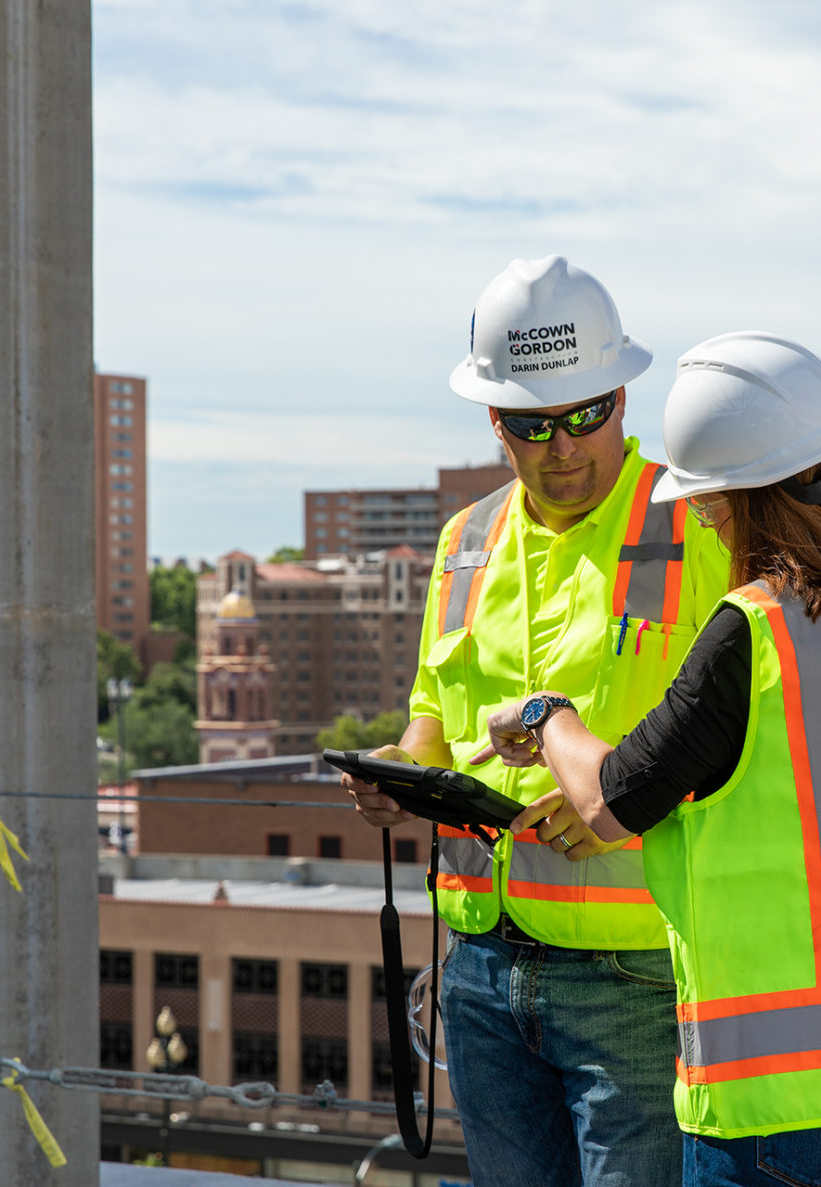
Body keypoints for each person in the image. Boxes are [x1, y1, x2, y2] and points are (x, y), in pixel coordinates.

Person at [475, 331, 821, 1187]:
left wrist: (547, 714)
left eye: (714, 510)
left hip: (785, 1104)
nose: (714, 529)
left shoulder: (755, 630)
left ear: (753, 504)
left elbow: (613, 799)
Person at [337, 256, 730, 1187]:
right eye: (531, 423)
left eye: (584, 414)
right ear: (493, 421)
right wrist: (395, 775)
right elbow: (433, 724)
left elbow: (755, 741)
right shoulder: (464, 543)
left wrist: (629, 802)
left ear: (623, 397)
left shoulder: (700, 525)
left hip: (634, 973)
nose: (562, 446)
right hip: (480, 969)